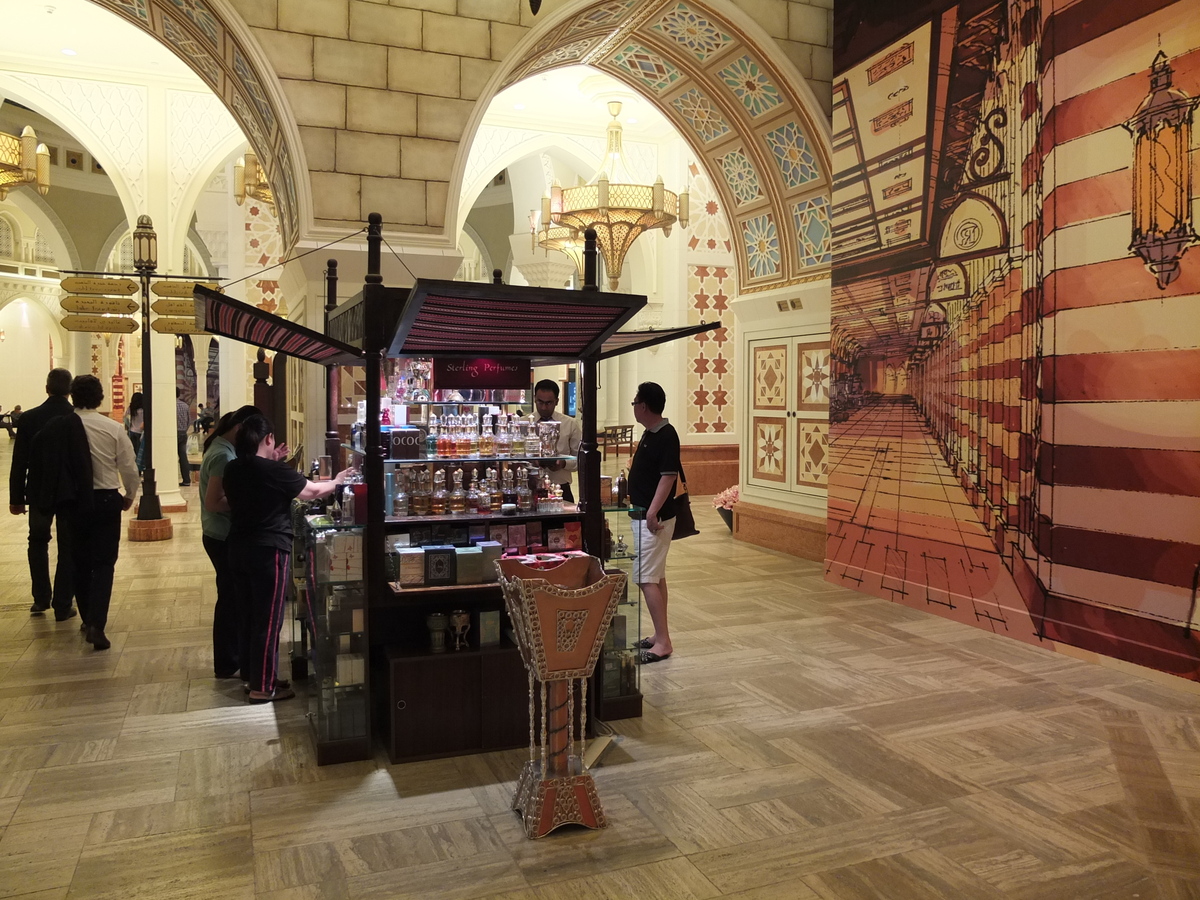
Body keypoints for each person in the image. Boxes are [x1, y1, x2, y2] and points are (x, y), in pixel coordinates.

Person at [223, 414, 354, 703]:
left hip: (237, 547)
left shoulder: (233, 468)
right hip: (268, 550)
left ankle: (253, 676)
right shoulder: (272, 470)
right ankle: (263, 688)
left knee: (248, 616)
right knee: (268, 621)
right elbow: (311, 491)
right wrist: (338, 480)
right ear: (268, 439)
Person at [67, 375, 139, 650]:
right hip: (107, 500)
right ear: (100, 398)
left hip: (74, 501)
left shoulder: (63, 427)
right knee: (104, 562)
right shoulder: (112, 428)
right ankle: (97, 622)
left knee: (78, 559)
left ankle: (86, 617)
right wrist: (130, 495)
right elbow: (129, 466)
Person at [8, 368, 78, 619]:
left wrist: (16, 498)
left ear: (46, 388)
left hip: (38, 491)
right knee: (68, 546)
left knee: (37, 541)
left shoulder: (29, 418)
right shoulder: (75, 417)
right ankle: (63, 603)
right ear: (70, 391)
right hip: (70, 493)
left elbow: (20, 462)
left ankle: (40, 599)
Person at [199, 405, 261, 680]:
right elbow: (214, 502)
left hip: (219, 533)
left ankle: (230, 658)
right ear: (240, 428)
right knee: (230, 599)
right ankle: (227, 661)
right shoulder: (223, 455)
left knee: (231, 597)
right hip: (220, 535)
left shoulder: (223, 448)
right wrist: (247, 502)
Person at [627, 382, 679, 664]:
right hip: (645, 515)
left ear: (643, 405)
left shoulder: (666, 434)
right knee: (656, 577)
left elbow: (668, 476)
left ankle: (664, 643)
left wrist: (652, 511)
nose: (634, 406)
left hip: (654, 519)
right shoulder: (651, 432)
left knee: (646, 578)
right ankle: (660, 635)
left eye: (635, 402)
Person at [533, 378, 581, 503]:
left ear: (557, 401)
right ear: (534, 399)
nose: (543, 407)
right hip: (531, 487)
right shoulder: (524, 423)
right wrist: (532, 461)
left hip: (561, 488)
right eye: (540, 402)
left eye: (548, 403)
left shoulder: (570, 424)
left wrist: (563, 463)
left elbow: (581, 459)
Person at [176, 388, 191, 487]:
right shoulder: (185, 405)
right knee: (183, 457)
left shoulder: (169, 405)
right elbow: (189, 421)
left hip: (173, 434)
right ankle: (186, 480)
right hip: (183, 433)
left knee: (170, 457)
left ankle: (169, 479)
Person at [124, 392, 145, 460]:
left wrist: (128, 426)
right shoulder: (143, 409)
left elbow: (125, 417)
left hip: (132, 431)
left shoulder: (131, 408)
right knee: (139, 452)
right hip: (140, 432)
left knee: (132, 451)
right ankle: (138, 467)